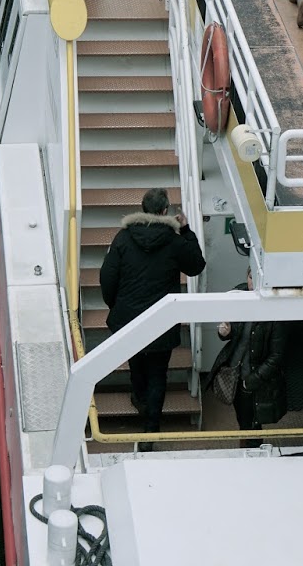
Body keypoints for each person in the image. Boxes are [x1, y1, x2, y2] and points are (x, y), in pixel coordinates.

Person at [100, 187, 206, 439]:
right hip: (161, 319)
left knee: (137, 364)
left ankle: (140, 399)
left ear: (143, 208)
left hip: (129, 318)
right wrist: (187, 230)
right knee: (158, 373)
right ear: (165, 210)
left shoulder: (123, 238)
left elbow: (107, 276)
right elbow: (196, 266)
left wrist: (115, 306)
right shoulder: (175, 240)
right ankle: (151, 428)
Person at [210, 271, 287, 437]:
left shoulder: (275, 310)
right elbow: (234, 334)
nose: (253, 283)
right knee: (243, 420)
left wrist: (251, 381)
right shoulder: (238, 295)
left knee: (250, 424)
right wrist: (226, 332)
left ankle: (251, 451)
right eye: (251, 277)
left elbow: (276, 356)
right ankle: (248, 449)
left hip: (253, 380)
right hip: (236, 375)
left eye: (258, 279)